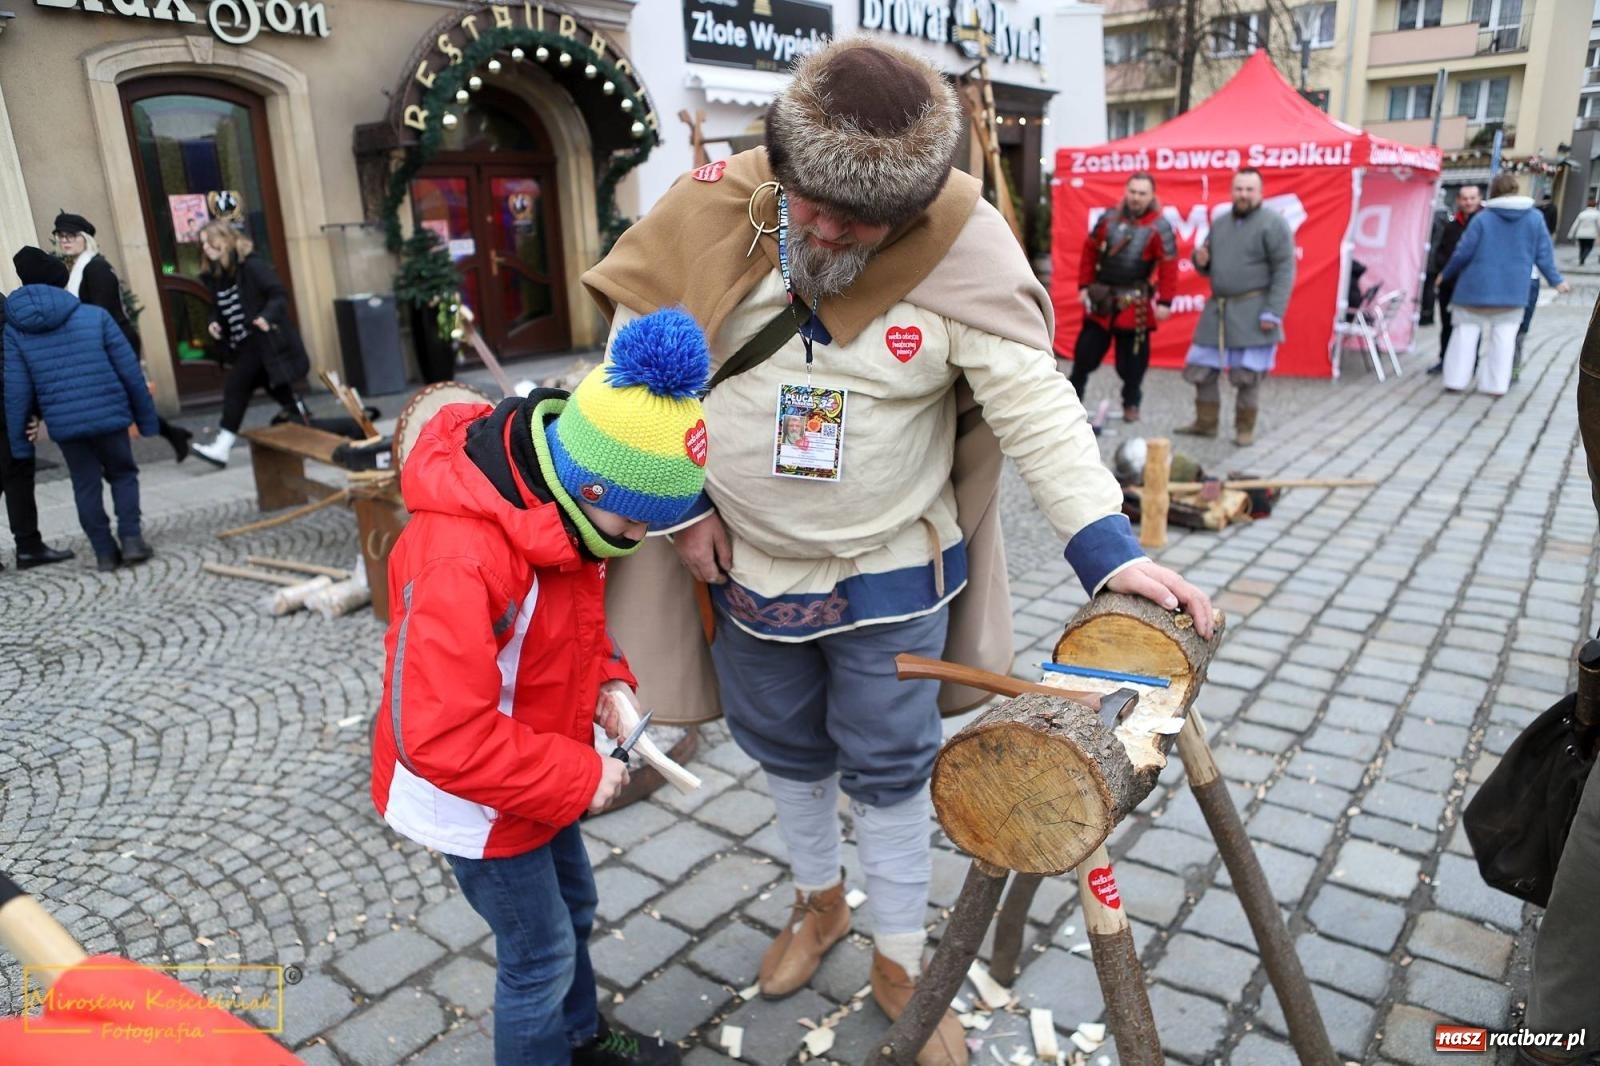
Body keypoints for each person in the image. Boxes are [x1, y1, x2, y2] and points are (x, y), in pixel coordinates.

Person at [582, 36, 1214, 1066]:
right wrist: (679, 510)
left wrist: (1108, 550)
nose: (825, 229)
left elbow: (1035, 408)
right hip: (741, 570)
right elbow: (630, 372)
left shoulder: (963, 246)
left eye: (856, 218)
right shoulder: (712, 207)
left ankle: (899, 951)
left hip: (889, 575)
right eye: (808, 204)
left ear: (912, 208)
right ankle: (818, 902)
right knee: (782, 751)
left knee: (887, 769)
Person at [370, 307, 710, 1066]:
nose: (632, 543)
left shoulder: (555, 507)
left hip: (529, 765)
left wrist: (611, 682)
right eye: (631, 527)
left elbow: (571, 624)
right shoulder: (463, 557)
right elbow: (439, 734)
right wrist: (582, 773)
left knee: (575, 909)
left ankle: (580, 1037)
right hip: (475, 798)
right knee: (538, 956)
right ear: (591, 484)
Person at [3, 247, 158, 571]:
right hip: (109, 414)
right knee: (122, 474)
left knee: (84, 482)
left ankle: (103, 552)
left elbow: (17, 390)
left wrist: (19, 440)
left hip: (65, 423)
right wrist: (147, 419)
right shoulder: (94, 316)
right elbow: (129, 370)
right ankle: (130, 540)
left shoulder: (15, 331)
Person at [52, 211, 192, 462]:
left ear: (85, 239)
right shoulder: (80, 268)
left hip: (114, 342)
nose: (65, 241)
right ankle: (172, 435)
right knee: (127, 399)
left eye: (71, 235)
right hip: (104, 341)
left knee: (122, 399)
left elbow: (101, 314)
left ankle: (126, 454)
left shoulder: (96, 268)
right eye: (61, 236)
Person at [1175, 168, 1296, 447]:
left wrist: (1273, 311)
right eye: (1239, 189)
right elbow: (1207, 264)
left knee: (1247, 375)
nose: (1243, 195)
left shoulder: (1273, 223)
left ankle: (1244, 429)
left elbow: (1285, 269)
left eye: (1249, 190)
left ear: (1260, 193)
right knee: (1200, 368)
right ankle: (1205, 424)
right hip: (1218, 309)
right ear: (1232, 191)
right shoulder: (1220, 223)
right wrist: (1201, 260)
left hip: (1253, 310)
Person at [190, 221, 310, 468]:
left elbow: (278, 294)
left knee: (236, 388)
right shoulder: (215, 275)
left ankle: (222, 446)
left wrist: (266, 316)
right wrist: (215, 322)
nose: (205, 247)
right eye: (202, 243)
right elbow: (219, 308)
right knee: (282, 394)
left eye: (208, 241)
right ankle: (320, 434)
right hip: (241, 344)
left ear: (224, 240)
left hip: (260, 341)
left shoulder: (251, 266)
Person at [1438, 172, 1568, 396]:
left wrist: (1446, 274)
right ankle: (1496, 385)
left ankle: (1456, 381)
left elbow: (1463, 252)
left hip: (1474, 289)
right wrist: (1556, 280)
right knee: (1504, 340)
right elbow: (1544, 254)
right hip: (1513, 290)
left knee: (1464, 336)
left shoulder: (1482, 218)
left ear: (1493, 193)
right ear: (1517, 190)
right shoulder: (1534, 218)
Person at [1068, 172, 1176, 423]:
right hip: (1102, 298)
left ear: (1151, 196)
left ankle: (1131, 402)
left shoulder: (1160, 226)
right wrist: (1084, 285)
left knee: (1133, 363)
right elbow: (1090, 252)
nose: (1136, 198)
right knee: (1084, 355)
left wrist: (1165, 301)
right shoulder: (1107, 220)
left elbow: (1169, 265)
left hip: (1134, 303)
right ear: (1126, 192)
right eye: (1133, 192)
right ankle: (1071, 401)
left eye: (1142, 193)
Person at [0, 295, 73, 572]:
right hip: (7, 413)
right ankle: (29, 547)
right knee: (18, 476)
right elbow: (11, 366)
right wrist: (30, 411)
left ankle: (29, 545)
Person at [1426, 184, 1483, 375]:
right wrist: (1441, 272)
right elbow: (1441, 252)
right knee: (1447, 324)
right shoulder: (1451, 225)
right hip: (1449, 284)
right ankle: (1445, 359)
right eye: (1465, 198)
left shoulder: (1484, 223)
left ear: (1479, 199)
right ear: (1458, 200)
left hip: (1473, 286)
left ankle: (1471, 363)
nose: (1468, 202)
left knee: (1472, 326)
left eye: (1472, 198)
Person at [1570, 198, 1600, 266]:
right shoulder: (1597, 214)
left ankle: (1581, 259)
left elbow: (1575, 224)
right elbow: (1599, 225)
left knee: (1582, 247)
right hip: (1591, 234)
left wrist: (1570, 234)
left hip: (1580, 234)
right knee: (1589, 247)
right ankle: (1583, 257)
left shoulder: (1582, 214)